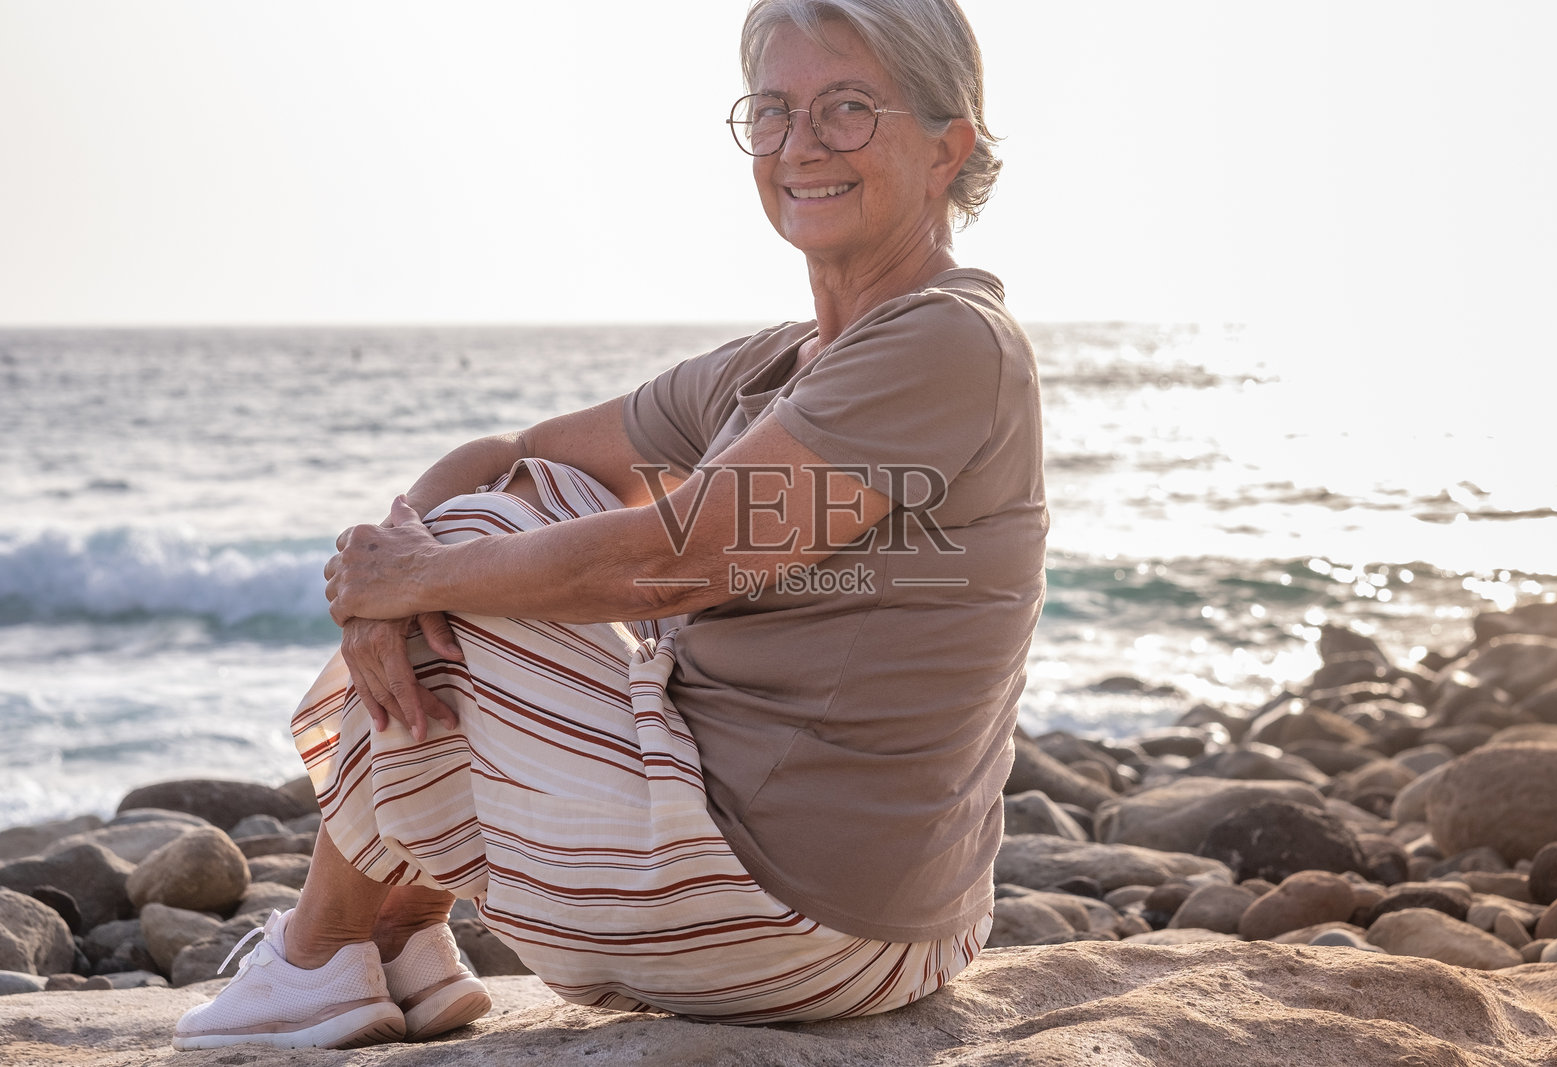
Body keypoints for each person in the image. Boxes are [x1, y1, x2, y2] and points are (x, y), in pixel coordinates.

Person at [173, 0, 1044, 1050]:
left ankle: (321, 950)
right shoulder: (772, 364)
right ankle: (400, 932)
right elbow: (512, 453)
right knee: (502, 509)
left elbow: (668, 566)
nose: (800, 144)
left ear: (949, 145)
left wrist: (406, 577)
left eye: (848, 108)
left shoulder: (946, 341)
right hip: (834, 906)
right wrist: (385, 572)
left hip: (804, 913)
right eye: (771, 111)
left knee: (480, 546)